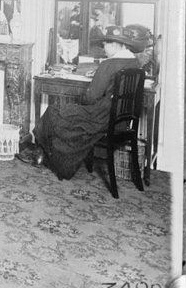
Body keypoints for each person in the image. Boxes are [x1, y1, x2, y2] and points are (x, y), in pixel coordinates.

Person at [20, 25, 143, 180]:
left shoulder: (108, 65)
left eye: (105, 44)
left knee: (53, 111)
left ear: (114, 44)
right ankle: (44, 154)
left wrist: (83, 97)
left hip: (101, 117)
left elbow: (90, 98)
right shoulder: (134, 63)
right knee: (63, 114)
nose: (103, 48)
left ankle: (50, 158)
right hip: (120, 120)